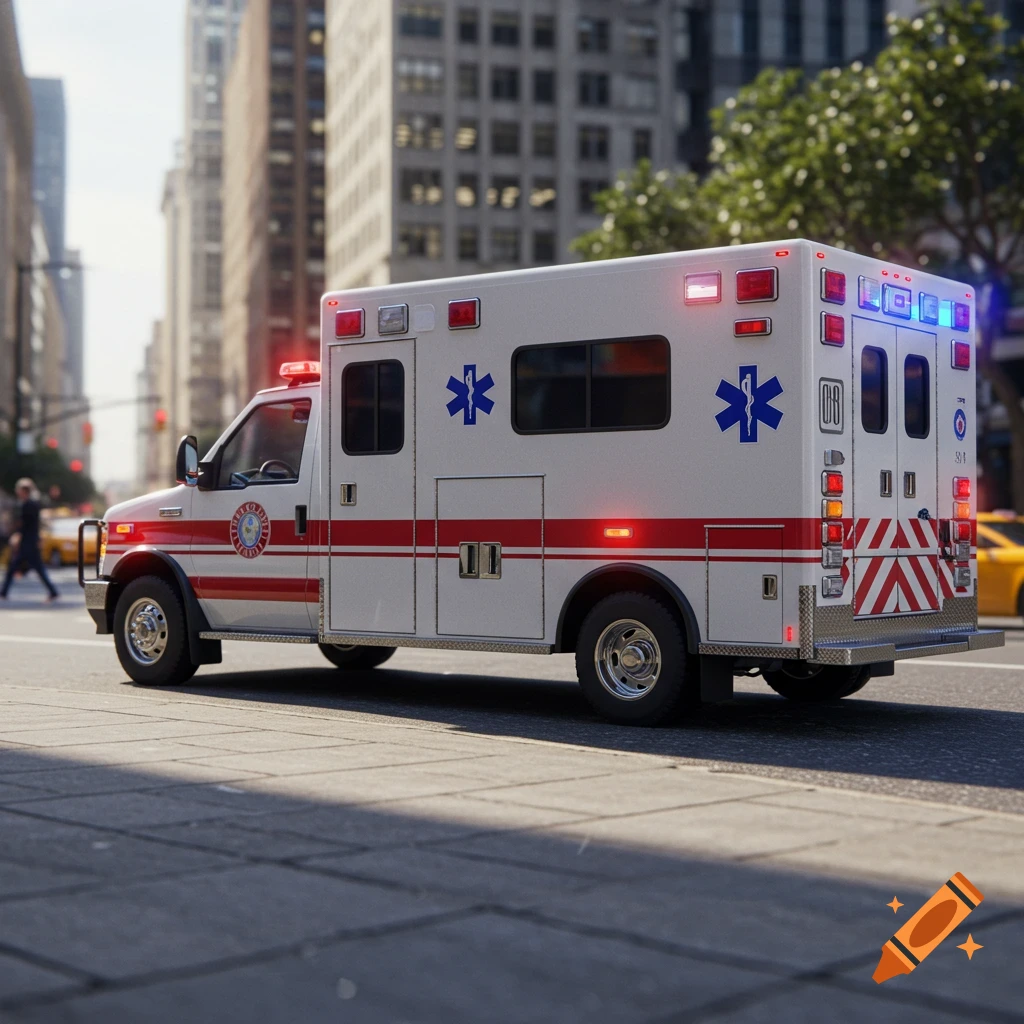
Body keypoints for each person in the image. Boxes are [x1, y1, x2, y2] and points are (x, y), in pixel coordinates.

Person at [0, 479, 59, 602]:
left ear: (24, 491)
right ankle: (4, 592)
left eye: (19, 490)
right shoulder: (31, 504)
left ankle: (4, 592)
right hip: (30, 541)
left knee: (18, 567)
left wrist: (17, 535)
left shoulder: (28, 505)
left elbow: (25, 525)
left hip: (28, 542)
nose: (17, 492)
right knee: (30, 567)